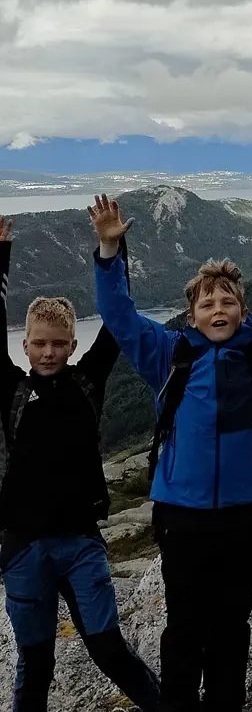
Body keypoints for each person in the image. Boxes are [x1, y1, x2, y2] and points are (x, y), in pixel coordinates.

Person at [90, 194, 252, 711]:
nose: (218, 310)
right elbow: (119, 314)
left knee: (231, 625)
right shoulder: (168, 355)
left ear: (242, 309)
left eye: (227, 302)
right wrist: (110, 251)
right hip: (181, 513)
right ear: (192, 314)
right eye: (207, 304)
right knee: (184, 625)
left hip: (242, 512)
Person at [0, 215, 160, 712]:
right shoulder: (12, 389)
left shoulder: (88, 381)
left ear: (73, 346)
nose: (49, 351)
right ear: (24, 345)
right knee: (36, 662)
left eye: (59, 343)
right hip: (22, 545)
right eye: (39, 343)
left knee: (109, 649)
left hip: (80, 543)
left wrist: (112, 249)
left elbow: (117, 314)